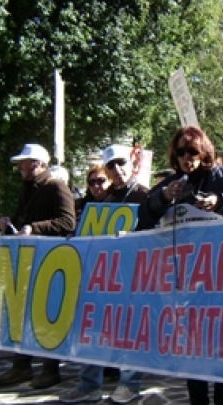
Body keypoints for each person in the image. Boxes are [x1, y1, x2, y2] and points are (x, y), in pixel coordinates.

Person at [138, 126, 223, 405]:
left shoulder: (219, 176)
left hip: (220, 277)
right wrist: (163, 198)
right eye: (180, 152)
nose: (186, 157)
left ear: (204, 153)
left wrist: (220, 201)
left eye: (193, 151)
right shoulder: (172, 183)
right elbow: (143, 218)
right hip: (186, 281)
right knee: (192, 348)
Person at [60, 145, 150, 404]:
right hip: (103, 278)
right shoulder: (104, 203)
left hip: (134, 277)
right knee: (94, 329)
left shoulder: (145, 195)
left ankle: (130, 384)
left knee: (130, 332)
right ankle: (89, 384)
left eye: (121, 163)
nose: (117, 169)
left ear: (132, 163)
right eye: (111, 166)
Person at [0, 143, 75, 389]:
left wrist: (35, 228)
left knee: (47, 315)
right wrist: (9, 222)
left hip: (50, 260)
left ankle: (50, 370)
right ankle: (21, 366)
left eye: (23, 163)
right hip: (29, 259)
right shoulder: (27, 189)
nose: (19, 167)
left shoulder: (56, 187)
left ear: (37, 164)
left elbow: (67, 222)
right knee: (24, 314)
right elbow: (23, 219)